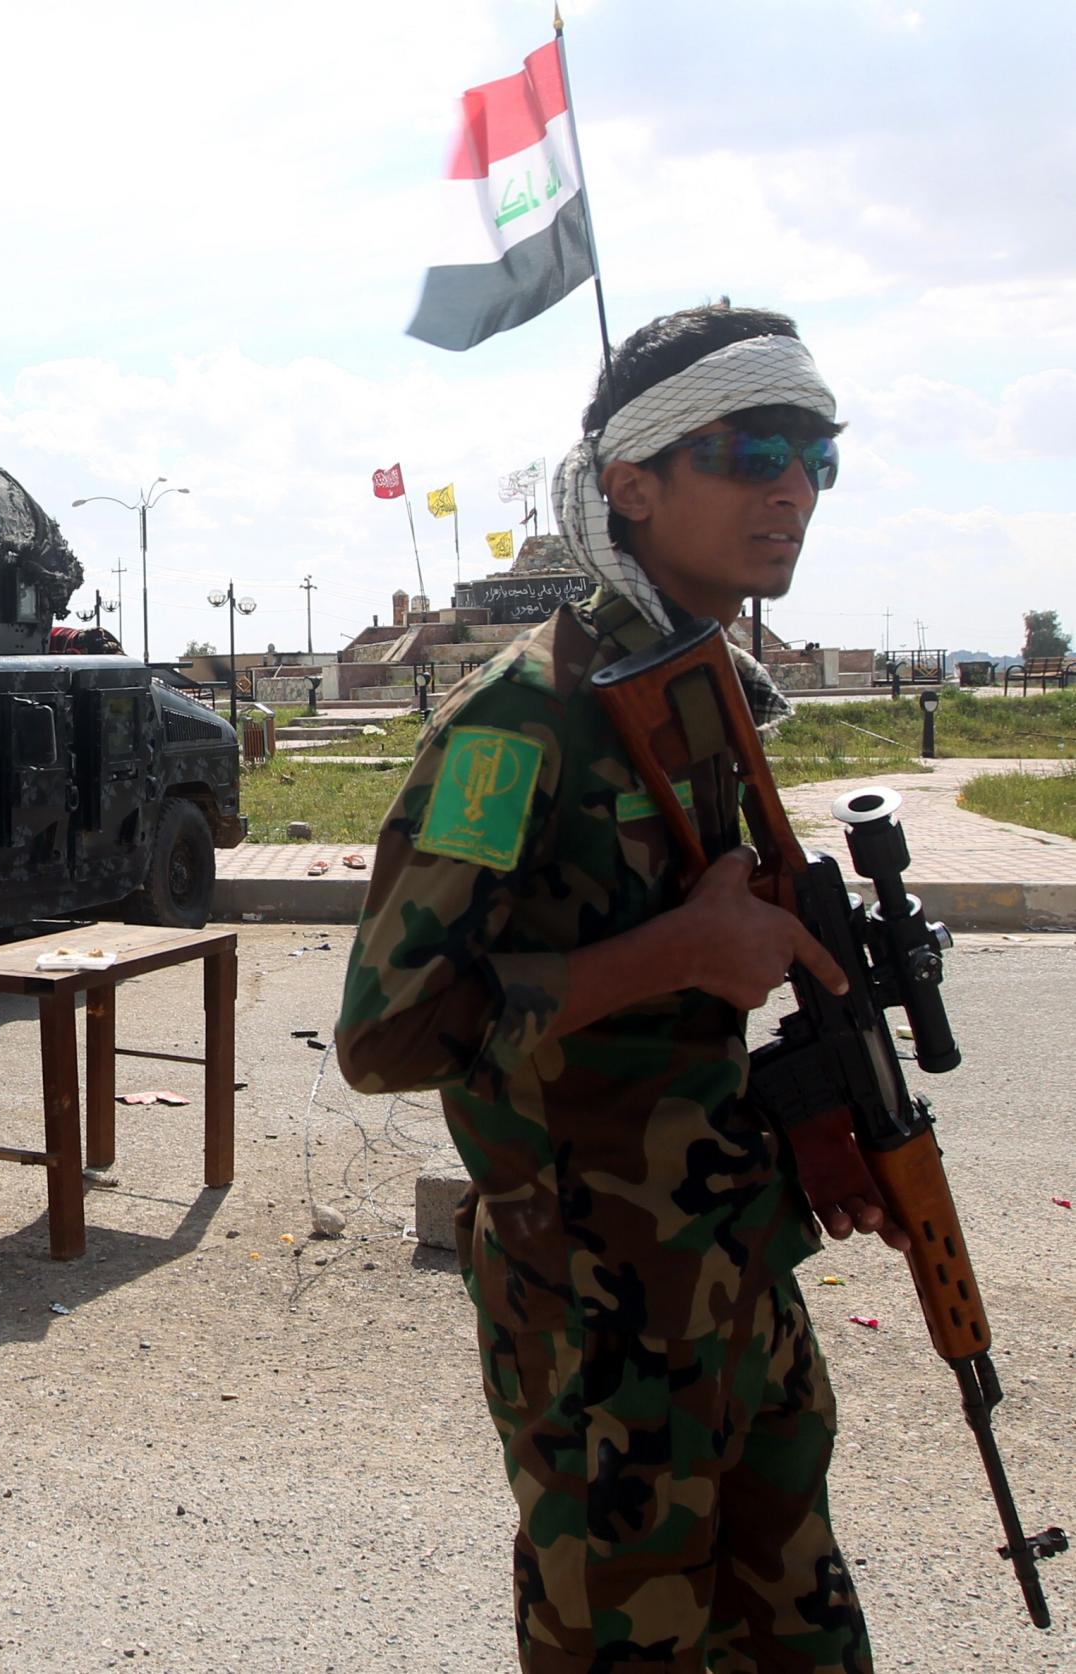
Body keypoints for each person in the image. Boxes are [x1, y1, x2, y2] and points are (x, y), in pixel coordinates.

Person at [333, 302, 885, 1671]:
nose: (793, 487)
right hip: (597, 1319)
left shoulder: (705, 699)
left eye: (819, 453)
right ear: (631, 485)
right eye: (753, 448)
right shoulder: (518, 728)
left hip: (737, 1265)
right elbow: (387, 1032)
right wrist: (678, 952)